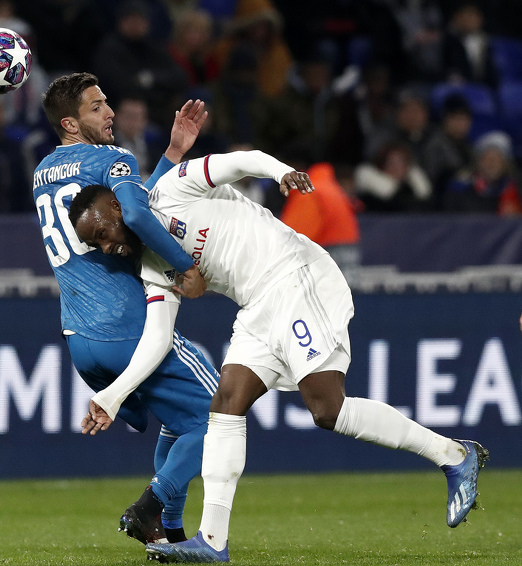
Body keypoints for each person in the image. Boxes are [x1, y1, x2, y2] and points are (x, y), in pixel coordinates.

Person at [69, 149, 489, 563]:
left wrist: (280, 171)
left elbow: (238, 162)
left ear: (115, 205)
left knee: (328, 410)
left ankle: (453, 455)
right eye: (95, 245)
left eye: (101, 234)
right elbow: (157, 338)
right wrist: (114, 395)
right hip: (256, 307)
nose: (105, 248)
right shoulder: (154, 265)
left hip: (293, 274)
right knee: (225, 405)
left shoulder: (171, 189)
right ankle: (212, 541)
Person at [35, 71, 213, 545]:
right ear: (70, 123)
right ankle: (151, 508)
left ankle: (168, 531)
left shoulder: (42, 173)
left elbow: (126, 205)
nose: (110, 112)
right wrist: (181, 267)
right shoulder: (111, 157)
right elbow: (133, 215)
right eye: (97, 107)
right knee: (219, 414)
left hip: (81, 341)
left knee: (180, 421)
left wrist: (173, 155)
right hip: (127, 327)